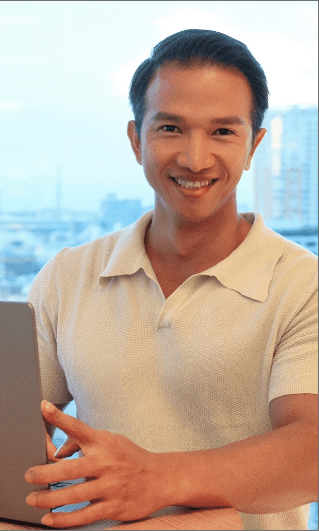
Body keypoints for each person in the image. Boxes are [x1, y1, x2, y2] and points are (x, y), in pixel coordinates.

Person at [25, 29, 318, 530]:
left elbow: (310, 451)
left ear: (254, 146)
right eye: (170, 128)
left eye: (223, 132)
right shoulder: (68, 275)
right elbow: (9, 416)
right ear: (136, 140)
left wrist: (155, 480)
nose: (195, 158)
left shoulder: (303, 285)